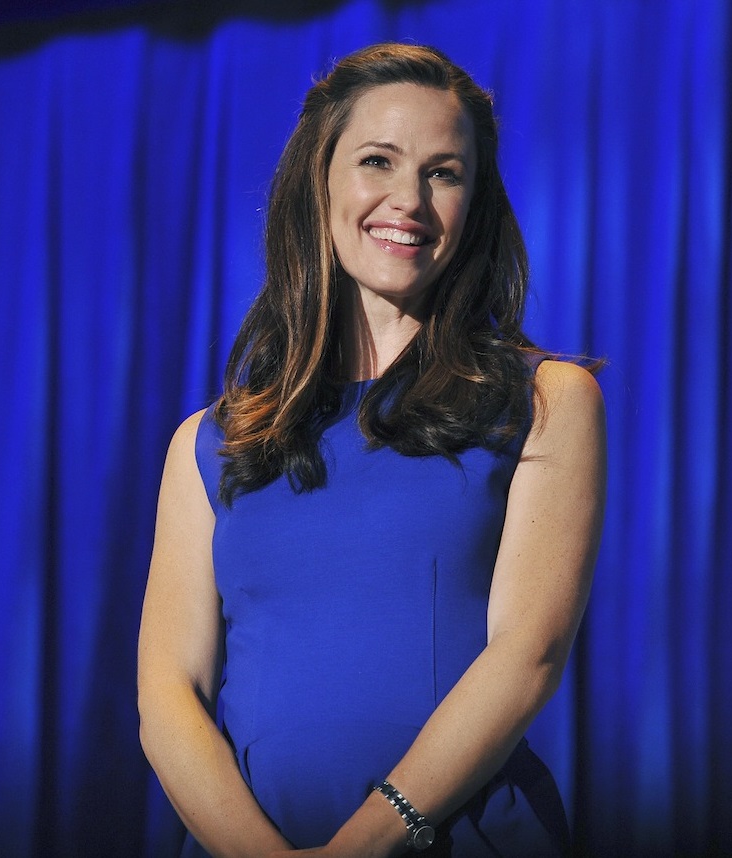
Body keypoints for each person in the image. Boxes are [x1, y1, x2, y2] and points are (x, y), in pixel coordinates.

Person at [137, 42, 606, 858]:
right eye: (377, 161)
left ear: (474, 205)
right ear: (318, 181)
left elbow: (526, 656)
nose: (409, 200)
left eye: (443, 173)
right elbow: (167, 695)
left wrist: (368, 842)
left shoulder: (544, 402)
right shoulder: (209, 444)